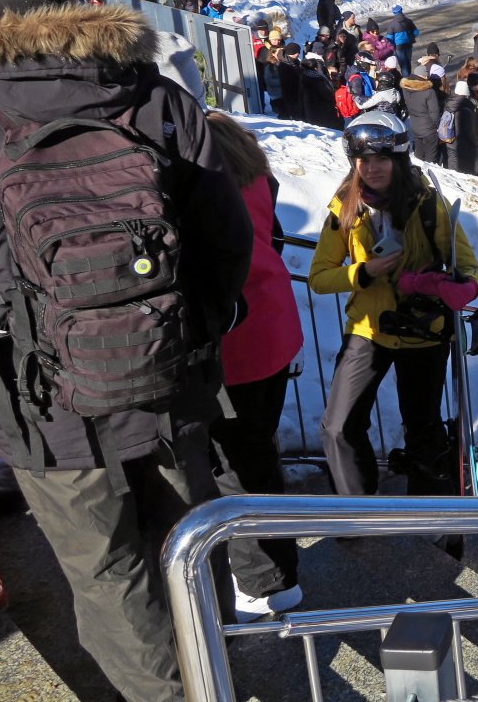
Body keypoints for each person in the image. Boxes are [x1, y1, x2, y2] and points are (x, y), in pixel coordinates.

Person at [0, 0, 253, 702]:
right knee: (187, 544)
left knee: (106, 572)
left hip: (43, 407)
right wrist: (195, 333)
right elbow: (225, 236)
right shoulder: (149, 94)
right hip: (165, 372)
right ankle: (212, 671)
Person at [310, 113, 478, 497]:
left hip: (422, 331)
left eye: (380, 159)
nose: (370, 169)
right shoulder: (345, 207)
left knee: (423, 430)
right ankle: (355, 511)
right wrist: (364, 272)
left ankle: (430, 518)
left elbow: (470, 267)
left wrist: (462, 287)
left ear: (399, 159)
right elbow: (319, 277)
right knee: (338, 426)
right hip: (368, 330)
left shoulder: (426, 203)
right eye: (362, 160)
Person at [204, 113, 306, 620]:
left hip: (236, 339)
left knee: (236, 466)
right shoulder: (255, 175)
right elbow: (276, 237)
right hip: (273, 325)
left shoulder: (200, 185)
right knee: (258, 451)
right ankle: (274, 569)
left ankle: (266, 580)